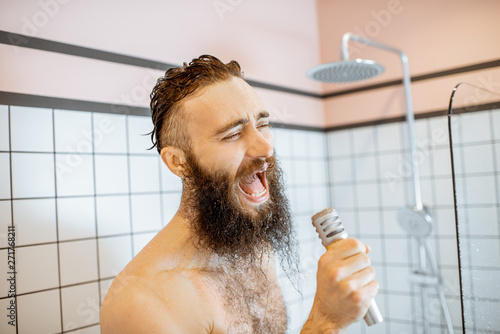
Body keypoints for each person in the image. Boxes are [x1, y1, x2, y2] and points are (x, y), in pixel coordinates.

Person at [100, 55, 379, 333]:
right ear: (178, 162)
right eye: (232, 134)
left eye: (262, 125)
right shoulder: (142, 302)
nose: (265, 149)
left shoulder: (253, 247)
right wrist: (325, 321)